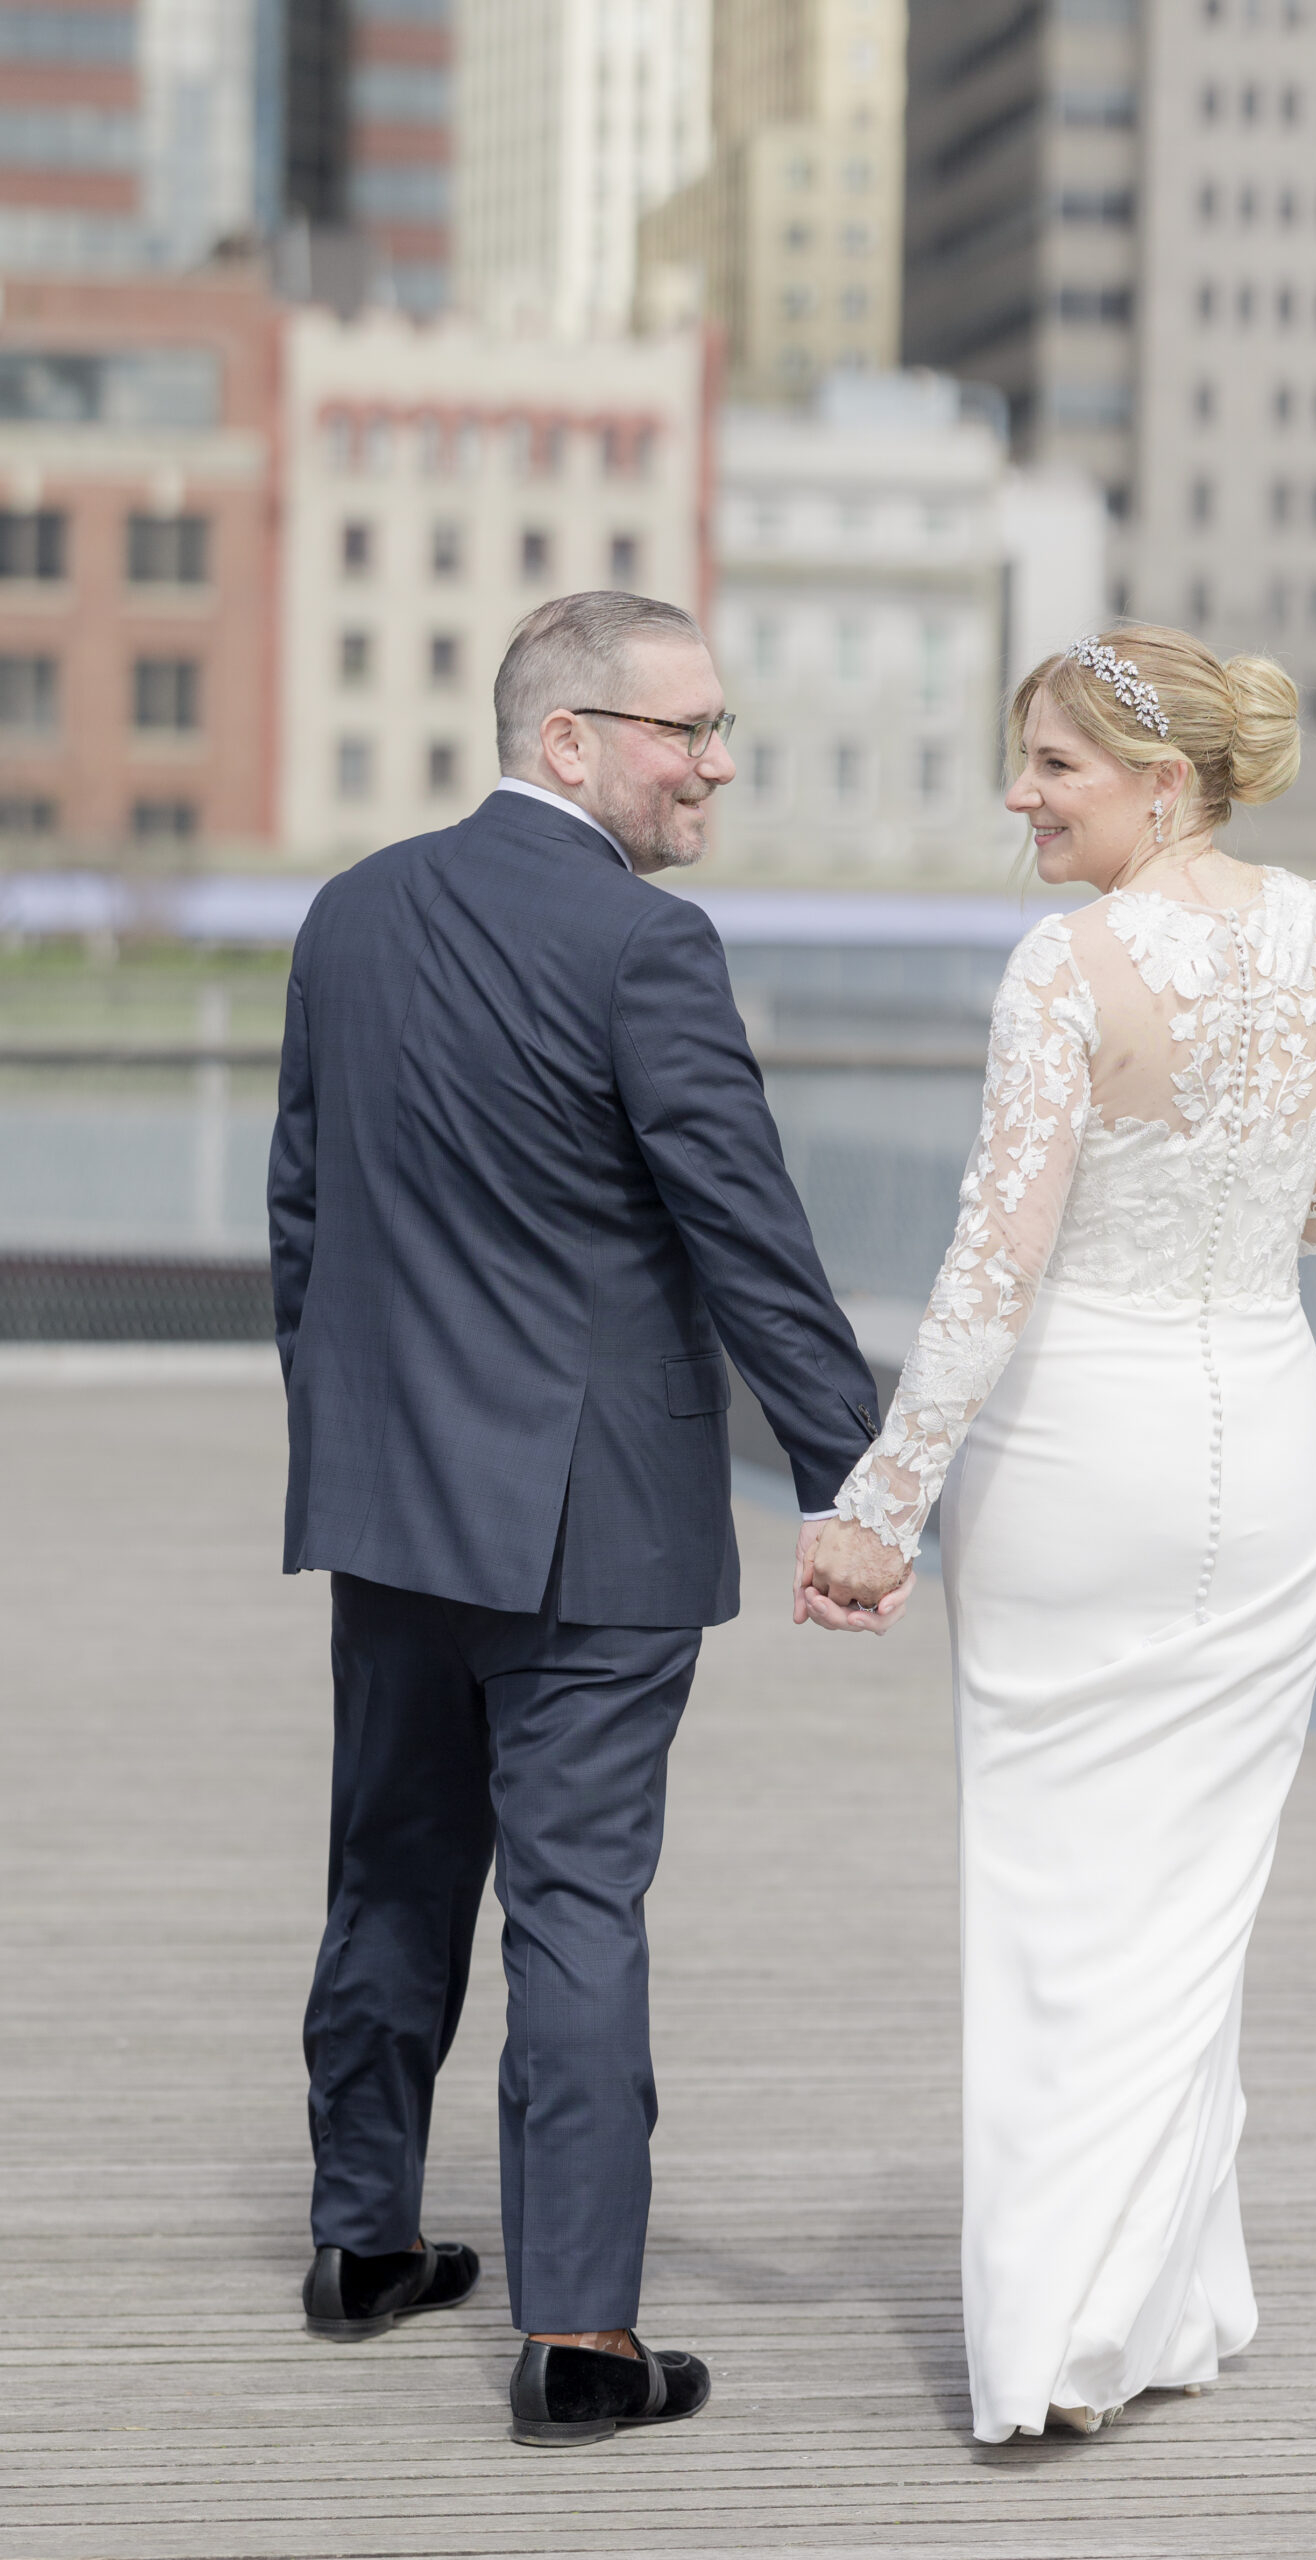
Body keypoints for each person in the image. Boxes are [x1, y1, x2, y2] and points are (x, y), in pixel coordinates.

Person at [808, 624, 1316, 2444]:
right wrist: (1259, 1225)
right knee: (1193, 1893)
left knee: (1058, 1890)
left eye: (1052, 766)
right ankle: (1162, 2304)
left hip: (1080, 1454)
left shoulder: (1064, 964)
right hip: (1270, 1444)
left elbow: (996, 1263)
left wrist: (878, 1506)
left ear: (1162, 784)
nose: (1017, 796)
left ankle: (1059, 2339)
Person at [268, 590, 909, 2451]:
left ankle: (362, 2244)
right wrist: (858, 1483)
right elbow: (749, 1233)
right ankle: (579, 2341)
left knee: (388, 1874)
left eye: (718, 730)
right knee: (573, 1911)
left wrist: (350, 1442)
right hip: (590, 1531)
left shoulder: (351, 911)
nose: (716, 764)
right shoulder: (646, 943)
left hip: (390, 1506)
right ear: (568, 740)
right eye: (684, 730)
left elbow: (301, 1217)